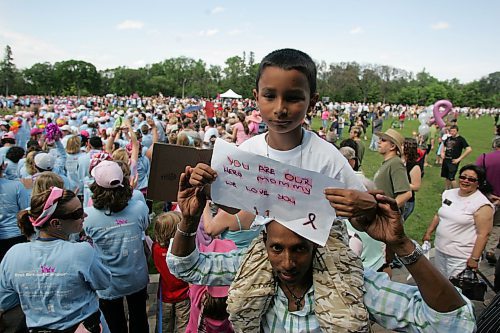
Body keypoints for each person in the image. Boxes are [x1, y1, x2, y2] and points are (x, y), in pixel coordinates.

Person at [169, 48, 475, 332]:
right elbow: (188, 263)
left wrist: (391, 233)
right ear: (256, 97)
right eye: (270, 96)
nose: (280, 109)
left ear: (312, 102)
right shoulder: (247, 155)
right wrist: (194, 214)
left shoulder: (328, 161)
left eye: (292, 98)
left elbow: (452, 321)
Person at [0, 187, 111, 332]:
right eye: (77, 213)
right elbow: (103, 282)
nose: (84, 215)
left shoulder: (13, 254)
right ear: (55, 223)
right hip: (84, 326)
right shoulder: (82, 252)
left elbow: (5, 300)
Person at [83, 160, 150, 333]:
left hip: (108, 283)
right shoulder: (139, 208)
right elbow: (144, 229)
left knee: (115, 324)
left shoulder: (87, 216)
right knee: (139, 319)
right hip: (136, 276)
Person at [423, 164, 494, 278]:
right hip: (440, 250)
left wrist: (474, 258)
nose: (466, 181)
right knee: (441, 284)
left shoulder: (482, 205)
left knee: (456, 291)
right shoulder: (449, 194)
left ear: (478, 183)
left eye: (471, 179)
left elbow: (484, 234)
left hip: (461, 257)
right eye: (463, 177)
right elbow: (439, 214)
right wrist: (429, 232)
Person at [152, 212, 190, 333]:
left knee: (163, 327)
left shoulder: (156, 248)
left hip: (165, 295)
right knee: (183, 327)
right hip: (184, 295)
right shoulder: (182, 251)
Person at [0, 154, 30, 262]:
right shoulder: (17, 186)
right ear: (3, 166)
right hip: (16, 236)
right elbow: (25, 211)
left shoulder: (17, 185)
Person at [373, 129, 412, 209]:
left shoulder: (396, 163)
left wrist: (388, 210)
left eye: (383, 140)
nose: (379, 142)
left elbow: (406, 194)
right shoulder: (389, 162)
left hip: (386, 218)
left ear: (392, 146)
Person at [476, 137, 500, 264]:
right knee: (497, 225)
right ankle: (490, 249)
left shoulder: (484, 158)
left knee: (479, 226)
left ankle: (476, 250)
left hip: (484, 197)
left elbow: (474, 175)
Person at [441, 125, 472, 189]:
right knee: (447, 177)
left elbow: (469, 149)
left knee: (452, 178)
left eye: (454, 131)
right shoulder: (449, 138)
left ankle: (456, 191)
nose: (452, 132)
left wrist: (459, 159)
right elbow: (444, 145)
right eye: (451, 131)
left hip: (453, 161)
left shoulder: (461, 139)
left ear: (457, 131)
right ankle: (447, 190)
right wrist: (442, 152)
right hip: (446, 159)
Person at [402, 138, 422, 221]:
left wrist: (400, 183)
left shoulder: (414, 166)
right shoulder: (398, 161)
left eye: (402, 145)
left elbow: (416, 187)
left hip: (407, 202)